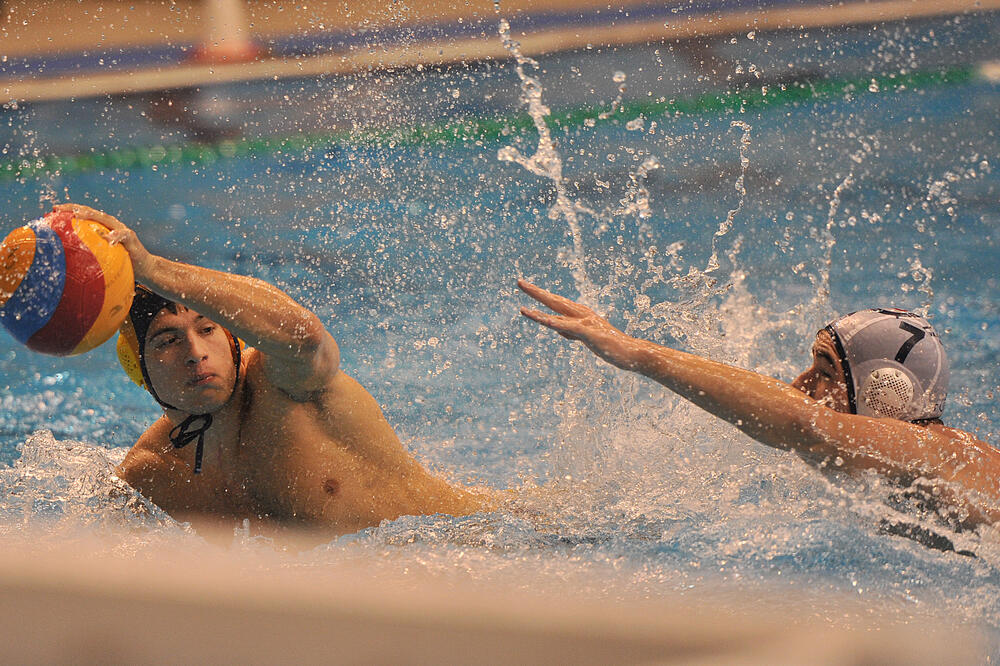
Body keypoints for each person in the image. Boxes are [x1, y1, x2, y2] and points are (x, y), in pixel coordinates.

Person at [55, 204, 490, 537]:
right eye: (167, 341)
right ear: (140, 371)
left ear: (232, 343)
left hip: (489, 550)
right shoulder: (151, 475)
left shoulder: (287, 385)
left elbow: (304, 334)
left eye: (207, 329)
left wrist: (153, 270)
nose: (194, 351)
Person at [518, 279, 1000, 540]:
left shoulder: (935, 451)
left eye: (825, 370)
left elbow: (803, 423)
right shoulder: (914, 461)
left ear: (885, 392)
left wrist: (637, 352)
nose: (800, 383)